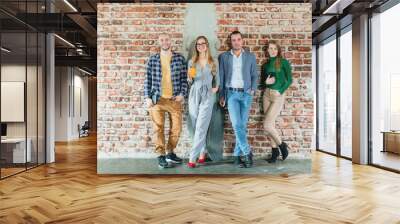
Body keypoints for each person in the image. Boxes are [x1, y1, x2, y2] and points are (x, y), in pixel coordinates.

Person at [144, 33, 188, 168]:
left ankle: (170, 152)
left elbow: (184, 79)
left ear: (171, 41)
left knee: (177, 129)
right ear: (159, 42)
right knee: (158, 129)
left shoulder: (180, 59)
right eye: (162, 40)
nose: (165, 42)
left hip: (174, 99)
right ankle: (161, 155)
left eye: (167, 39)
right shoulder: (153, 59)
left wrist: (182, 94)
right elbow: (148, 79)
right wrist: (147, 97)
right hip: (157, 100)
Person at [218, 31, 258, 168]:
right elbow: (221, 78)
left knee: (242, 125)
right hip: (231, 95)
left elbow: (254, 75)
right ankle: (247, 153)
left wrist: (252, 89)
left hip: (246, 94)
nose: (236, 42)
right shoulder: (223, 57)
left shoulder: (250, 57)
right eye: (233, 40)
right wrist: (222, 95)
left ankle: (236, 155)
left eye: (238, 39)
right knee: (237, 125)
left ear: (242, 41)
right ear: (231, 42)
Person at [187, 36, 221, 168]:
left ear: (207, 45)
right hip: (194, 93)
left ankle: (192, 157)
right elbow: (190, 81)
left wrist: (216, 88)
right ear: (196, 47)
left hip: (207, 94)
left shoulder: (214, 61)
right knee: (196, 125)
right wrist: (189, 78)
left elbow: (217, 78)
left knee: (201, 125)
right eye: (198, 44)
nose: (200, 46)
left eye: (203, 43)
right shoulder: (192, 61)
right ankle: (202, 151)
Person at [259, 40, 292, 163]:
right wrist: (266, 83)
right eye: (270, 48)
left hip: (278, 95)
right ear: (267, 50)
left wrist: (281, 90)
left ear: (278, 50)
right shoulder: (266, 65)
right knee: (270, 125)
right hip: (266, 94)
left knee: (266, 125)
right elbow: (263, 82)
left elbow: (289, 80)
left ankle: (282, 146)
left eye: (274, 48)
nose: (272, 50)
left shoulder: (283, 63)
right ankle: (274, 152)